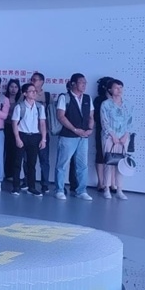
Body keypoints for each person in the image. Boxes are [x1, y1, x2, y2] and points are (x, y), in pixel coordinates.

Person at [54, 73, 94, 201]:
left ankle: (81, 191)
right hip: (68, 136)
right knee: (62, 164)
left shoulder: (87, 98)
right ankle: (59, 190)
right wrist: (75, 130)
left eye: (85, 82)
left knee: (82, 165)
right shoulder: (64, 97)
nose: (84, 85)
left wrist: (90, 129)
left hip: (84, 137)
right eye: (81, 82)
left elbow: (91, 116)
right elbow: (60, 116)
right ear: (73, 84)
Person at [11, 83, 46, 197]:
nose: (34, 93)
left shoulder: (40, 107)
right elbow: (14, 123)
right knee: (17, 162)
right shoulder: (19, 107)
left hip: (34, 136)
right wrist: (17, 138)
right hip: (22, 135)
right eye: (31, 91)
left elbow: (42, 123)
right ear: (25, 93)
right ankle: (16, 187)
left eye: (35, 91)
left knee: (32, 163)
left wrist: (43, 139)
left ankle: (32, 187)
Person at [100, 79, 132, 201]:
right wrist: (113, 136)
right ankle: (107, 189)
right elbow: (104, 122)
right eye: (116, 88)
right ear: (110, 90)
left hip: (123, 138)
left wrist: (125, 135)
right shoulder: (105, 104)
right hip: (109, 137)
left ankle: (119, 189)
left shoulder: (128, 104)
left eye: (121, 87)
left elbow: (130, 122)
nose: (119, 90)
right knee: (109, 163)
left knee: (121, 164)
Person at [31, 72, 52, 192]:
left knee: (44, 160)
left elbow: (52, 114)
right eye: (32, 79)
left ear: (42, 82)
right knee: (29, 159)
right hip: (28, 132)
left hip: (43, 132)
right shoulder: (25, 93)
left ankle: (45, 184)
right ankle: (29, 182)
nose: (33, 81)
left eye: (35, 80)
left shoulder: (47, 96)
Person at [93, 77, 114, 194]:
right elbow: (96, 117)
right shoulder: (99, 100)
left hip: (117, 132)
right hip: (102, 130)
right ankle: (101, 182)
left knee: (114, 156)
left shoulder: (117, 99)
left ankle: (112, 183)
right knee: (100, 155)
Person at [3, 79, 21, 183]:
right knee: (5, 150)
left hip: (17, 127)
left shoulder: (21, 100)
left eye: (15, 87)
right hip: (4, 126)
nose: (13, 89)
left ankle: (12, 174)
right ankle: (5, 173)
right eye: (11, 87)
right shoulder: (3, 99)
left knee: (14, 151)